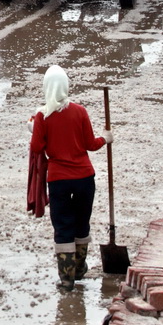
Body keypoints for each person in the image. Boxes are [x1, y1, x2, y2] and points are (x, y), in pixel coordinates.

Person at [28, 65, 112, 291]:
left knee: (63, 225)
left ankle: (67, 280)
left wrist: (34, 129)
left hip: (59, 180)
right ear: (66, 85)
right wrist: (105, 139)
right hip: (85, 177)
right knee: (81, 221)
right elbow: (89, 145)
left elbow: (37, 146)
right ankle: (80, 267)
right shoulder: (80, 111)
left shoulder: (42, 116)